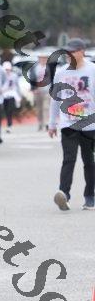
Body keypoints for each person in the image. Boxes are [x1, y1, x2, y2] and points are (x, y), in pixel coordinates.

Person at [48, 38, 95, 211]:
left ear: (82, 51)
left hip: (90, 124)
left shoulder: (92, 70)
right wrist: (52, 123)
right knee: (68, 159)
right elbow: (55, 99)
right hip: (68, 123)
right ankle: (64, 194)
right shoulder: (61, 73)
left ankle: (90, 197)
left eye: (73, 51)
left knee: (89, 161)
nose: (69, 54)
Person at [30, 53, 52, 131]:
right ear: (39, 59)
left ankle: (46, 123)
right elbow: (32, 79)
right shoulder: (35, 68)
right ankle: (40, 123)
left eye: (45, 58)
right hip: (37, 90)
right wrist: (33, 89)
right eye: (42, 58)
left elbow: (53, 79)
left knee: (46, 107)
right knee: (39, 108)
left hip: (47, 90)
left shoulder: (50, 68)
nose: (43, 59)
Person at [2, 61, 22, 132]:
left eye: (8, 69)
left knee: (9, 110)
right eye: (6, 69)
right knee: (5, 110)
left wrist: (19, 95)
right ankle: (8, 123)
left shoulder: (14, 76)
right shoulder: (2, 76)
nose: (7, 71)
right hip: (4, 95)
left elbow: (17, 86)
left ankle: (9, 125)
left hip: (12, 95)